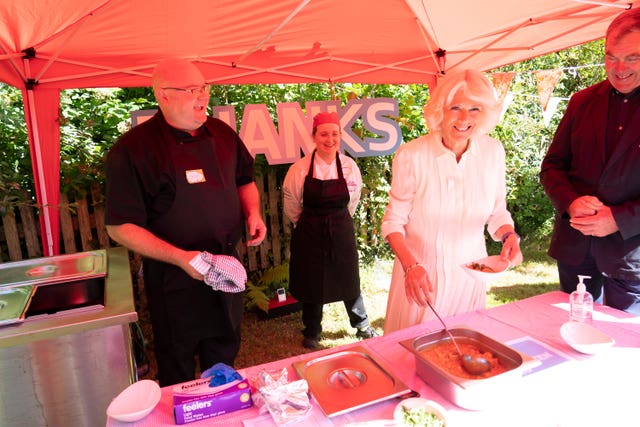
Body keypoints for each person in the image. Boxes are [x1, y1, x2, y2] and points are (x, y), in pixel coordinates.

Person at [104, 58, 267, 386]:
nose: (203, 96)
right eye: (192, 90)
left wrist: (253, 213)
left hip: (224, 265)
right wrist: (182, 258)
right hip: (174, 278)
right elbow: (119, 226)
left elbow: (244, 178)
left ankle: (222, 409)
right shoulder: (133, 150)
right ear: (163, 95)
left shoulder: (221, 133)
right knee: (176, 361)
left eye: (204, 87)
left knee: (224, 349)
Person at [381, 70, 523, 333]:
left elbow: (497, 212)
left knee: (464, 353)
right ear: (440, 110)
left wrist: (509, 236)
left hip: (471, 277)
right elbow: (392, 223)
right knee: (411, 358)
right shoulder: (412, 155)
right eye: (455, 107)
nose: (464, 118)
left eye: (474, 109)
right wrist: (411, 266)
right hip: (421, 280)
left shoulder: (492, 152)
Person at [539, 8, 640, 314]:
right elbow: (552, 166)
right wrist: (570, 202)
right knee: (570, 333)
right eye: (611, 56)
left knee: (627, 345)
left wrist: (619, 218)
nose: (618, 68)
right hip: (575, 247)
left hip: (630, 255)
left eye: (632, 57)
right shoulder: (581, 101)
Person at [282, 111, 377, 349]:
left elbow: (352, 200)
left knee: (348, 276)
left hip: (340, 228)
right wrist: (306, 224)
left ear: (340, 136)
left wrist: (338, 220)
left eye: (335, 134)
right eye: (324, 134)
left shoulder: (349, 167)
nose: (330, 139)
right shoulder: (300, 169)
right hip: (310, 231)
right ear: (314, 136)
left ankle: (362, 324)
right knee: (312, 279)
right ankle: (312, 329)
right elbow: (292, 204)